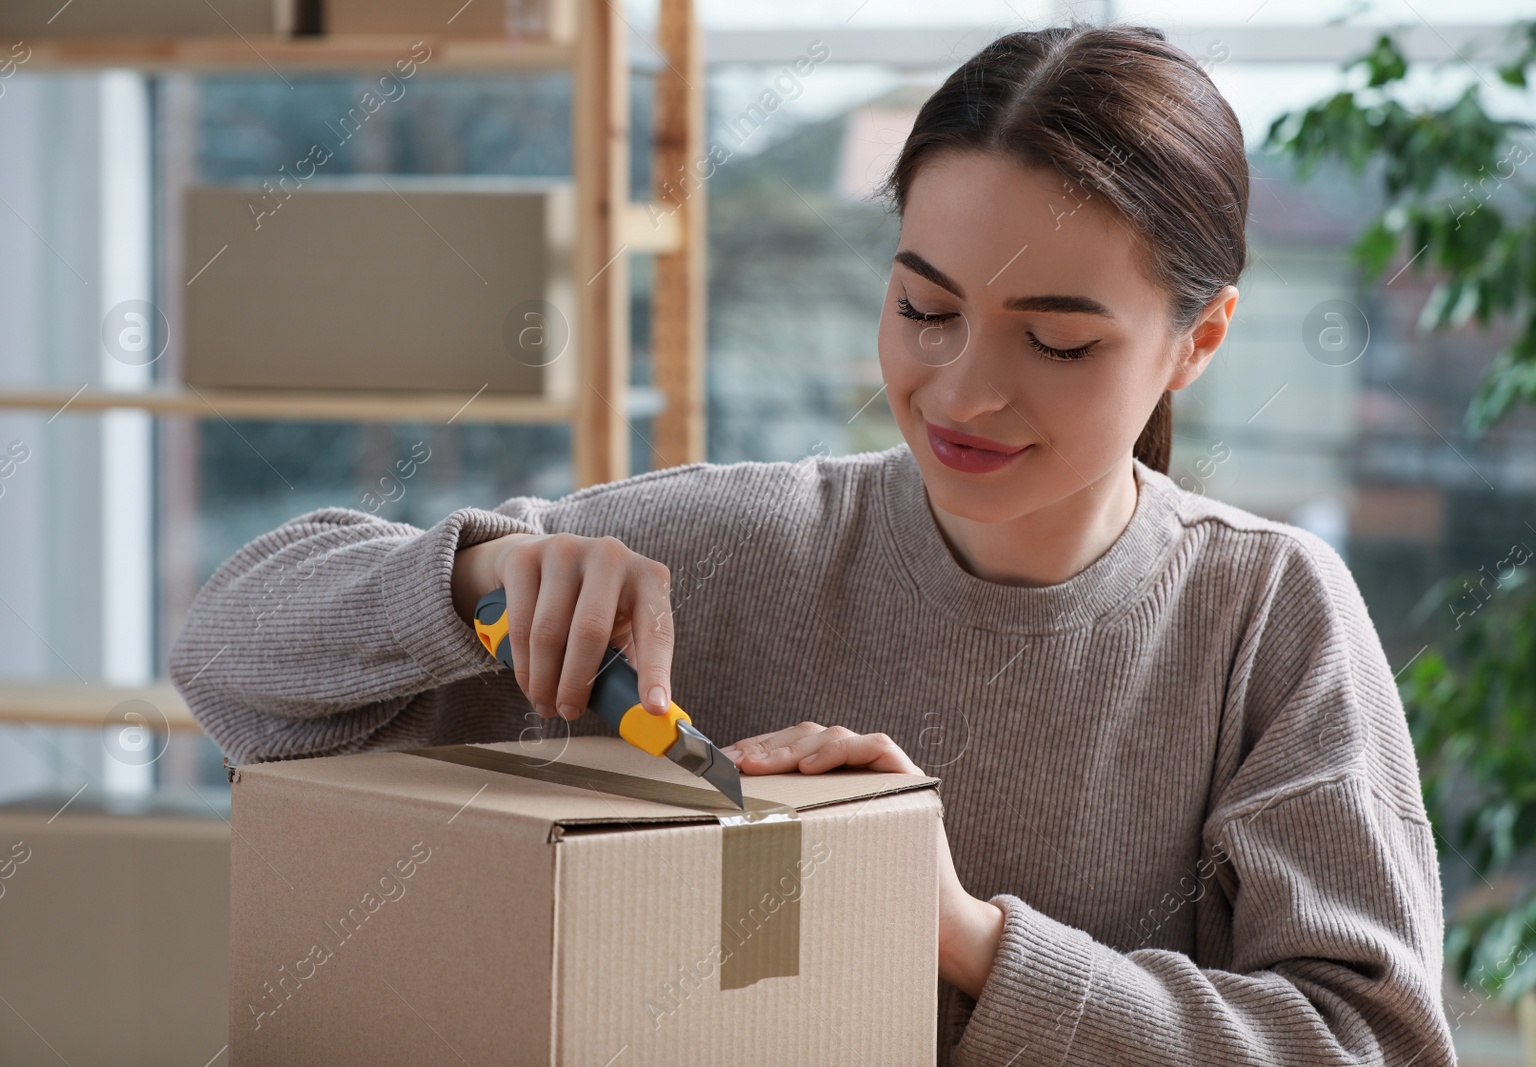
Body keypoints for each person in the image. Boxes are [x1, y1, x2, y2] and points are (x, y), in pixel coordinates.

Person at [171, 21, 1455, 1066]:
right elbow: (225, 663)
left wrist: (966, 937)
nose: (960, 391)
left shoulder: (1264, 616)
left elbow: (1375, 1043)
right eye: (923, 307)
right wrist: (467, 578)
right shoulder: (725, 548)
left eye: (1058, 341)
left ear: (1200, 338)